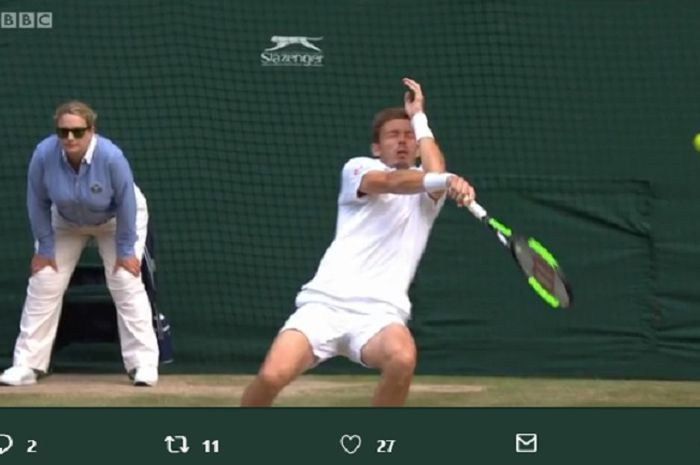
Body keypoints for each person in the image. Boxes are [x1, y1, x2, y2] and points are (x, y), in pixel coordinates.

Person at [241, 78, 476, 406]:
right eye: (393, 135)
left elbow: (433, 173)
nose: (403, 142)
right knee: (270, 376)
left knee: (403, 358)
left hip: (379, 315)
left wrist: (419, 117)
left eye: (409, 136)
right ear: (377, 147)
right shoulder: (359, 169)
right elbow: (393, 181)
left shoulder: (427, 196)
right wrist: (447, 179)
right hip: (323, 306)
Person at [0, 101, 159, 387]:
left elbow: (126, 203)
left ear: (91, 131)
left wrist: (126, 251)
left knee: (125, 279)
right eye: (63, 132)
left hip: (116, 220)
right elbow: (36, 201)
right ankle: (26, 365)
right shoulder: (43, 155)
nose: (70, 138)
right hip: (65, 221)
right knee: (44, 279)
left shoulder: (111, 157)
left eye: (77, 131)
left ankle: (143, 365)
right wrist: (45, 248)